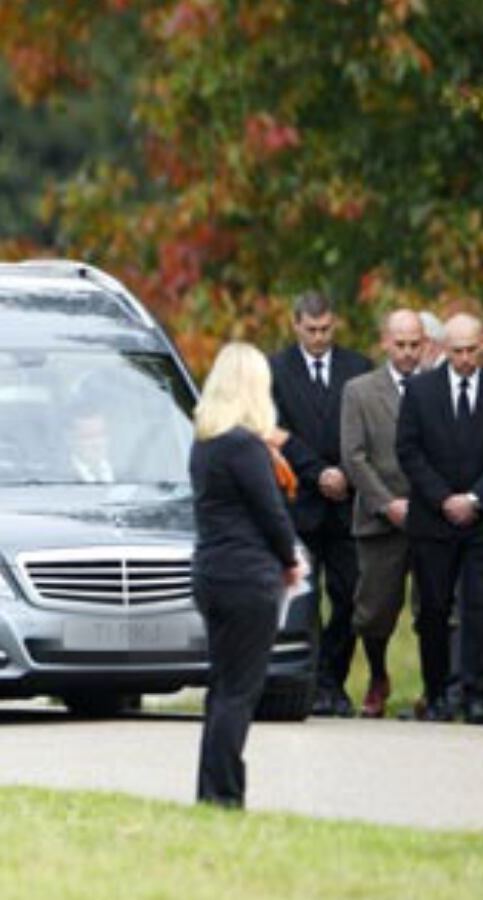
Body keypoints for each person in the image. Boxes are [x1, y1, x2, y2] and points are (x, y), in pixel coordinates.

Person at [188, 343, 305, 807]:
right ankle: (225, 794)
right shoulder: (244, 446)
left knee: (222, 688)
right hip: (247, 576)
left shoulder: (206, 443)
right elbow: (271, 513)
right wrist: (290, 559)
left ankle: (211, 788)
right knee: (240, 692)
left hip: (212, 572)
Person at [395, 313, 483, 725]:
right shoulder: (420, 391)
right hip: (433, 521)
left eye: (472, 350)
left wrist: (475, 498)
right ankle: (436, 695)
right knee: (433, 610)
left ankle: (477, 697)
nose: (465, 359)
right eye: (457, 351)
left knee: (480, 607)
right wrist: (443, 498)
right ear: (444, 349)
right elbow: (409, 451)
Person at [268, 292, 372, 717]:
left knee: (350, 597)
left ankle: (333, 678)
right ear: (295, 325)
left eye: (325, 329)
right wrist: (317, 473)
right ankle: (310, 682)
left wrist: (347, 473)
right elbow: (274, 431)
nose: (318, 337)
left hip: (347, 502)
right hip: (300, 501)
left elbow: (367, 430)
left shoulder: (358, 368)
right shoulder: (275, 370)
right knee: (305, 598)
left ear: (336, 324)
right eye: (311, 330)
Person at [338, 310, 424, 718]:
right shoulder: (359, 391)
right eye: (401, 344)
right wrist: (387, 503)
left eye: (414, 344)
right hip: (380, 515)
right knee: (372, 611)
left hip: (429, 516)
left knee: (438, 609)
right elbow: (353, 457)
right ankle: (377, 673)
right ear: (386, 343)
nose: (408, 353)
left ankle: (436, 689)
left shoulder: (436, 388)